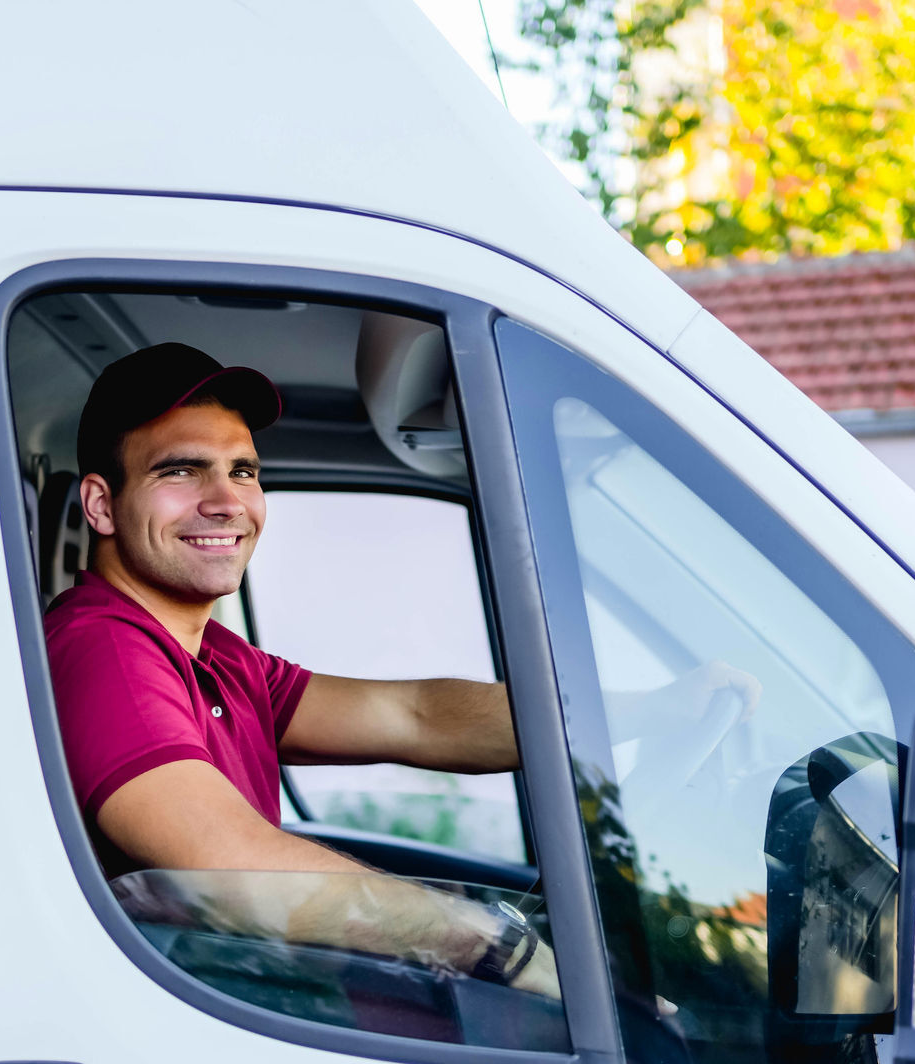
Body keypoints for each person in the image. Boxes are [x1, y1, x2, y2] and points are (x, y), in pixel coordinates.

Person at [44, 342, 557, 995]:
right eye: (180, 472)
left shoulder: (213, 655)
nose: (226, 501)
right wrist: (490, 944)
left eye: (243, 471)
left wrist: (609, 720)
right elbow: (231, 866)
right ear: (100, 505)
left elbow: (416, 716)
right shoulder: (103, 649)